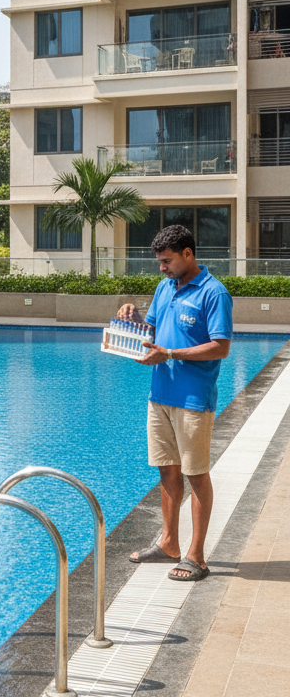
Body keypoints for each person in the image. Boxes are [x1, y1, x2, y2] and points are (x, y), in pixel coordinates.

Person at [119, 225, 233, 581]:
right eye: (160, 261)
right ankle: (169, 543)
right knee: (167, 470)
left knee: (195, 474)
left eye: (167, 261)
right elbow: (152, 331)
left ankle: (196, 556)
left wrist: (169, 353)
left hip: (193, 400)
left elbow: (221, 346)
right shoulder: (164, 287)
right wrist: (135, 320)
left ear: (188, 254)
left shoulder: (214, 293)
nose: (162, 267)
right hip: (160, 396)